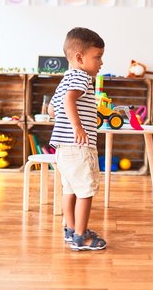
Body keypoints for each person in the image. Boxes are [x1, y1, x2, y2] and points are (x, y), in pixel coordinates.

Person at [48, 27, 107, 251]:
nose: (101, 63)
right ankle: (82, 237)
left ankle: (71, 229)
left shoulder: (65, 79)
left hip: (64, 149)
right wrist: (77, 125)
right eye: (98, 57)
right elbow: (69, 100)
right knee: (86, 191)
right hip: (79, 147)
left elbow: (52, 109)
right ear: (80, 58)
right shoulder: (82, 78)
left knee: (70, 189)